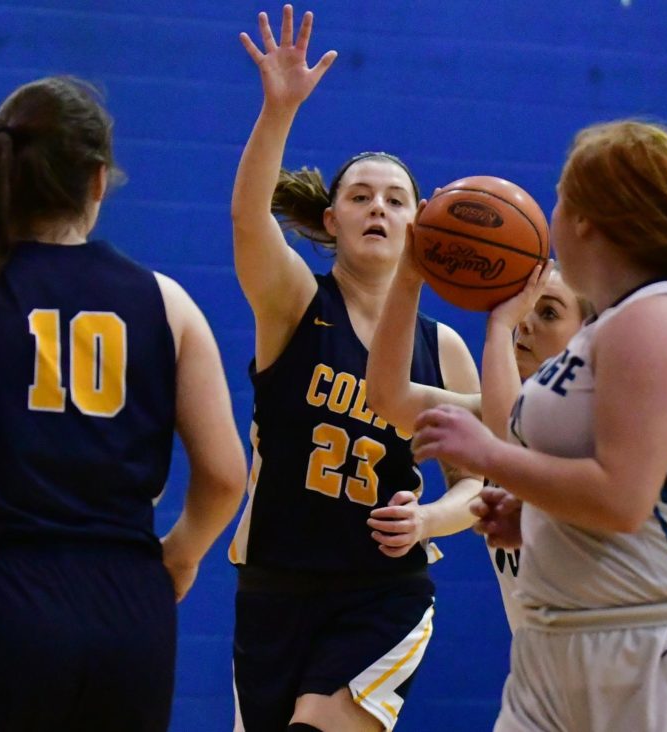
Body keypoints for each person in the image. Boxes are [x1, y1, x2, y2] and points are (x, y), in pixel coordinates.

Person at [411, 120, 667, 732]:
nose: (552, 215)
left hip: (656, 648)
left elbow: (622, 498)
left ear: (588, 218)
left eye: (561, 197)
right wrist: (536, 512)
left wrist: (488, 454)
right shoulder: (603, 331)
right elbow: (604, 478)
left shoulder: (660, 317)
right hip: (553, 645)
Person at [227, 7, 482, 731]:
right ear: (330, 220)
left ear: (419, 223)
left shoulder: (444, 347)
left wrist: (429, 518)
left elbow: (481, 483)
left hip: (382, 591)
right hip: (274, 584)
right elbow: (249, 220)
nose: (378, 208)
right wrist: (279, 111)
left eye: (396, 200)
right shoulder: (294, 303)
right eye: (361, 197)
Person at [0, 76, 246, 732]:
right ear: (99, 181)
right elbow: (225, 474)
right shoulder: (167, 302)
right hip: (129, 607)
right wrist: (181, 554)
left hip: (8, 592)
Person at [367, 244, 593, 632]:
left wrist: (500, 326)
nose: (525, 322)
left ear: (589, 336)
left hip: (617, 652)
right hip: (545, 652)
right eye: (524, 309)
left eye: (548, 312)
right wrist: (407, 279)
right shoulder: (493, 412)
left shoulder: (586, 421)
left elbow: (511, 434)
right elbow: (388, 397)